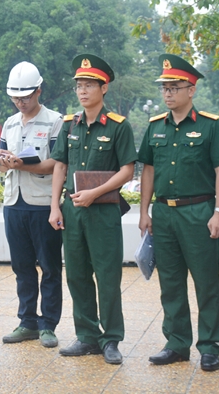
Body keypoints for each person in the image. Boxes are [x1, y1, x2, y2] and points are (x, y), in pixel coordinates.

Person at [138, 54, 219, 372]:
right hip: (164, 214)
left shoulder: (210, 125)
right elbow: (148, 171)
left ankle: (210, 346)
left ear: (191, 90)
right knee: (170, 281)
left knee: (206, 281)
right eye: (164, 88)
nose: (167, 93)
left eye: (174, 87)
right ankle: (177, 343)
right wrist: (144, 211)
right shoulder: (155, 127)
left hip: (198, 211)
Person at [49, 55, 137, 364]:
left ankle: (111, 338)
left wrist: (95, 193)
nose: (82, 91)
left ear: (104, 88)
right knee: (76, 274)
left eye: (89, 85)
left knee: (108, 276)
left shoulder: (118, 127)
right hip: (72, 210)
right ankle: (86, 335)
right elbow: (60, 165)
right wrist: (54, 207)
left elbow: (127, 170)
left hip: (103, 211)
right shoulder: (68, 124)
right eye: (79, 86)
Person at [0, 62, 64, 348]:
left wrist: (24, 165)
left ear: (39, 90)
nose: (20, 102)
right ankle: (27, 321)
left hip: (42, 203)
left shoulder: (55, 121)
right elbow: (2, 167)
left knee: (49, 266)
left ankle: (48, 324)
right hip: (14, 202)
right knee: (22, 266)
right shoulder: (10, 123)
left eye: (25, 96)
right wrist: (5, 162)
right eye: (15, 97)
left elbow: (57, 163)